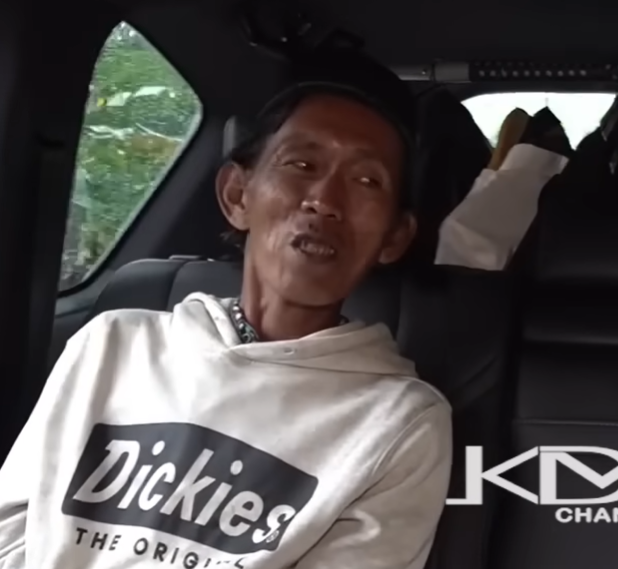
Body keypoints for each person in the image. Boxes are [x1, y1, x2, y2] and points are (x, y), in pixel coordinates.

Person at [0, 57, 452, 569]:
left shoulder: (400, 420)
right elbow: (12, 529)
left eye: (367, 180)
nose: (325, 201)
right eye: (302, 165)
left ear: (394, 236)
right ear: (238, 195)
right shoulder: (110, 343)